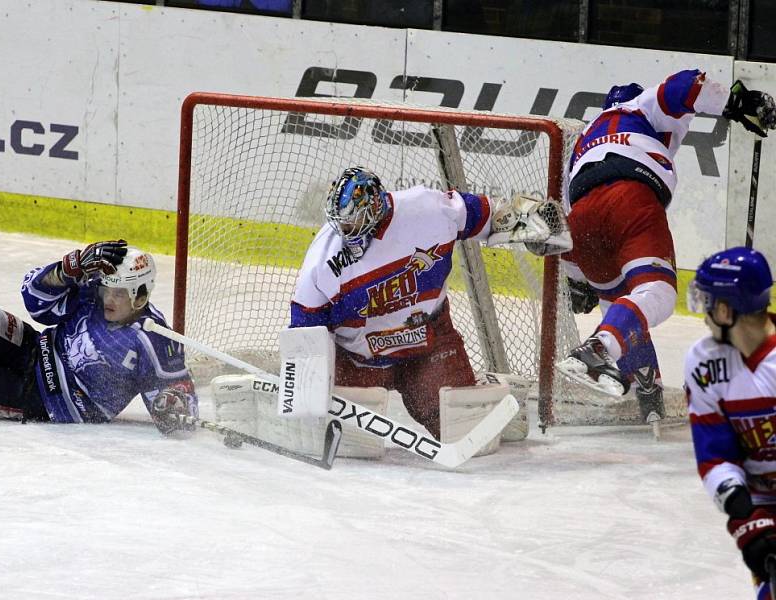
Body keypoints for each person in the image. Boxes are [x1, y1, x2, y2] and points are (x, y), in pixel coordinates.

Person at [556, 70, 776, 424]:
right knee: (656, 292)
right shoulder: (635, 109)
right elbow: (684, 86)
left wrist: (577, 278)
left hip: (583, 221)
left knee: (620, 305)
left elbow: (565, 221)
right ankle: (597, 349)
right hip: (630, 198)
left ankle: (647, 396)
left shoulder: (582, 142)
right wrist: (738, 101)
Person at [289, 166, 570, 439]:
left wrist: (529, 221)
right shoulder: (321, 263)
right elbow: (305, 335)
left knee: (461, 430)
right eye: (341, 223)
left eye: (353, 222)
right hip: (360, 361)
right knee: (348, 440)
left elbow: (489, 215)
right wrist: (306, 394)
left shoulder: (426, 210)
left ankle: (503, 394)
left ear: (375, 209)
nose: (346, 231)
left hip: (427, 344)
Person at [0, 240, 197, 436]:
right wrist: (65, 272)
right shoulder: (94, 291)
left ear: (140, 295)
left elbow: (180, 401)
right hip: (33, 345)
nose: (109, 299)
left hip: (46, 397)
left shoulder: (154, 339)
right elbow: (34, 303)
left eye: (119, 293)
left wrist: (174, 404)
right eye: (107, 289)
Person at [685, 247, 776, 599]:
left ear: (725, 310)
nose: (704, 315)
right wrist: (745, 513)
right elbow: (716, 455)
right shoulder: (704, 365)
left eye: (708, 302)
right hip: (761, 505)